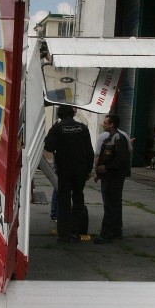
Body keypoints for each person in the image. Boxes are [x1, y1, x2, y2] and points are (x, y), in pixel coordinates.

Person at [43, 104, 94, 243]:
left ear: (60, 114)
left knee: (63, 201)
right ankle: (76, 232)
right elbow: (90, 151)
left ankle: (64, 234)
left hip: (65, 170)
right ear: (72, 113)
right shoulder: (83, 127)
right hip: (81, 170)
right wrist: (89, 170)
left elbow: (49, 146)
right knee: (78, 199)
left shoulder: (57, 128)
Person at [93, 113, 131, 243]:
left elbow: (121, 159)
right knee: (113, 204)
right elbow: (104, 157)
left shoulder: (119, 138)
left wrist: (106, 169)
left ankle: (106, 234)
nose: (104, 124)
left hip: (114, 178)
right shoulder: (108, 138)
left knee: (110, 205)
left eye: (106, 122)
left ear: (112, 124)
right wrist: (99, 173)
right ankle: (116, 231)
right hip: (108, 177)